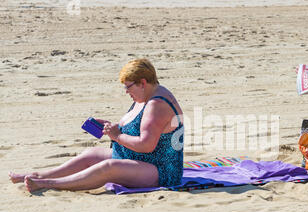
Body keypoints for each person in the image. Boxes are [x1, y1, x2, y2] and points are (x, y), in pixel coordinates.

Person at [9, 59, 184, 192]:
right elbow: (139, 127)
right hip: (141, 159)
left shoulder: (156, 105)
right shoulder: (145, 96)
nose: (126, 91)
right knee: (90, 155)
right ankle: (38, 175)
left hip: (161, 171)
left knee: (108, 168)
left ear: (143, 83)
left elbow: (146, 145)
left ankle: (49, 184)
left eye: (128, 87)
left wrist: (117, 136)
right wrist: (111, 128)